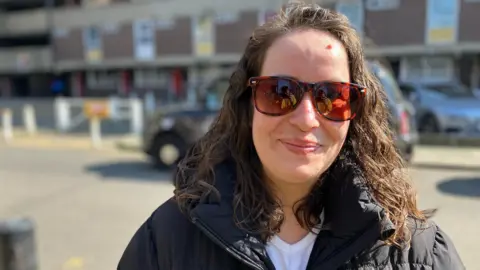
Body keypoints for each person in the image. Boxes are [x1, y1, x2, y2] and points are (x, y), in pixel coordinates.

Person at [118, 3, 464, 270]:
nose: (306, 119)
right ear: (247, 104)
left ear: (356, 113)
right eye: (279, 92)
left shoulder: (419, 252)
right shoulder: (165, 240)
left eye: (332, 96)